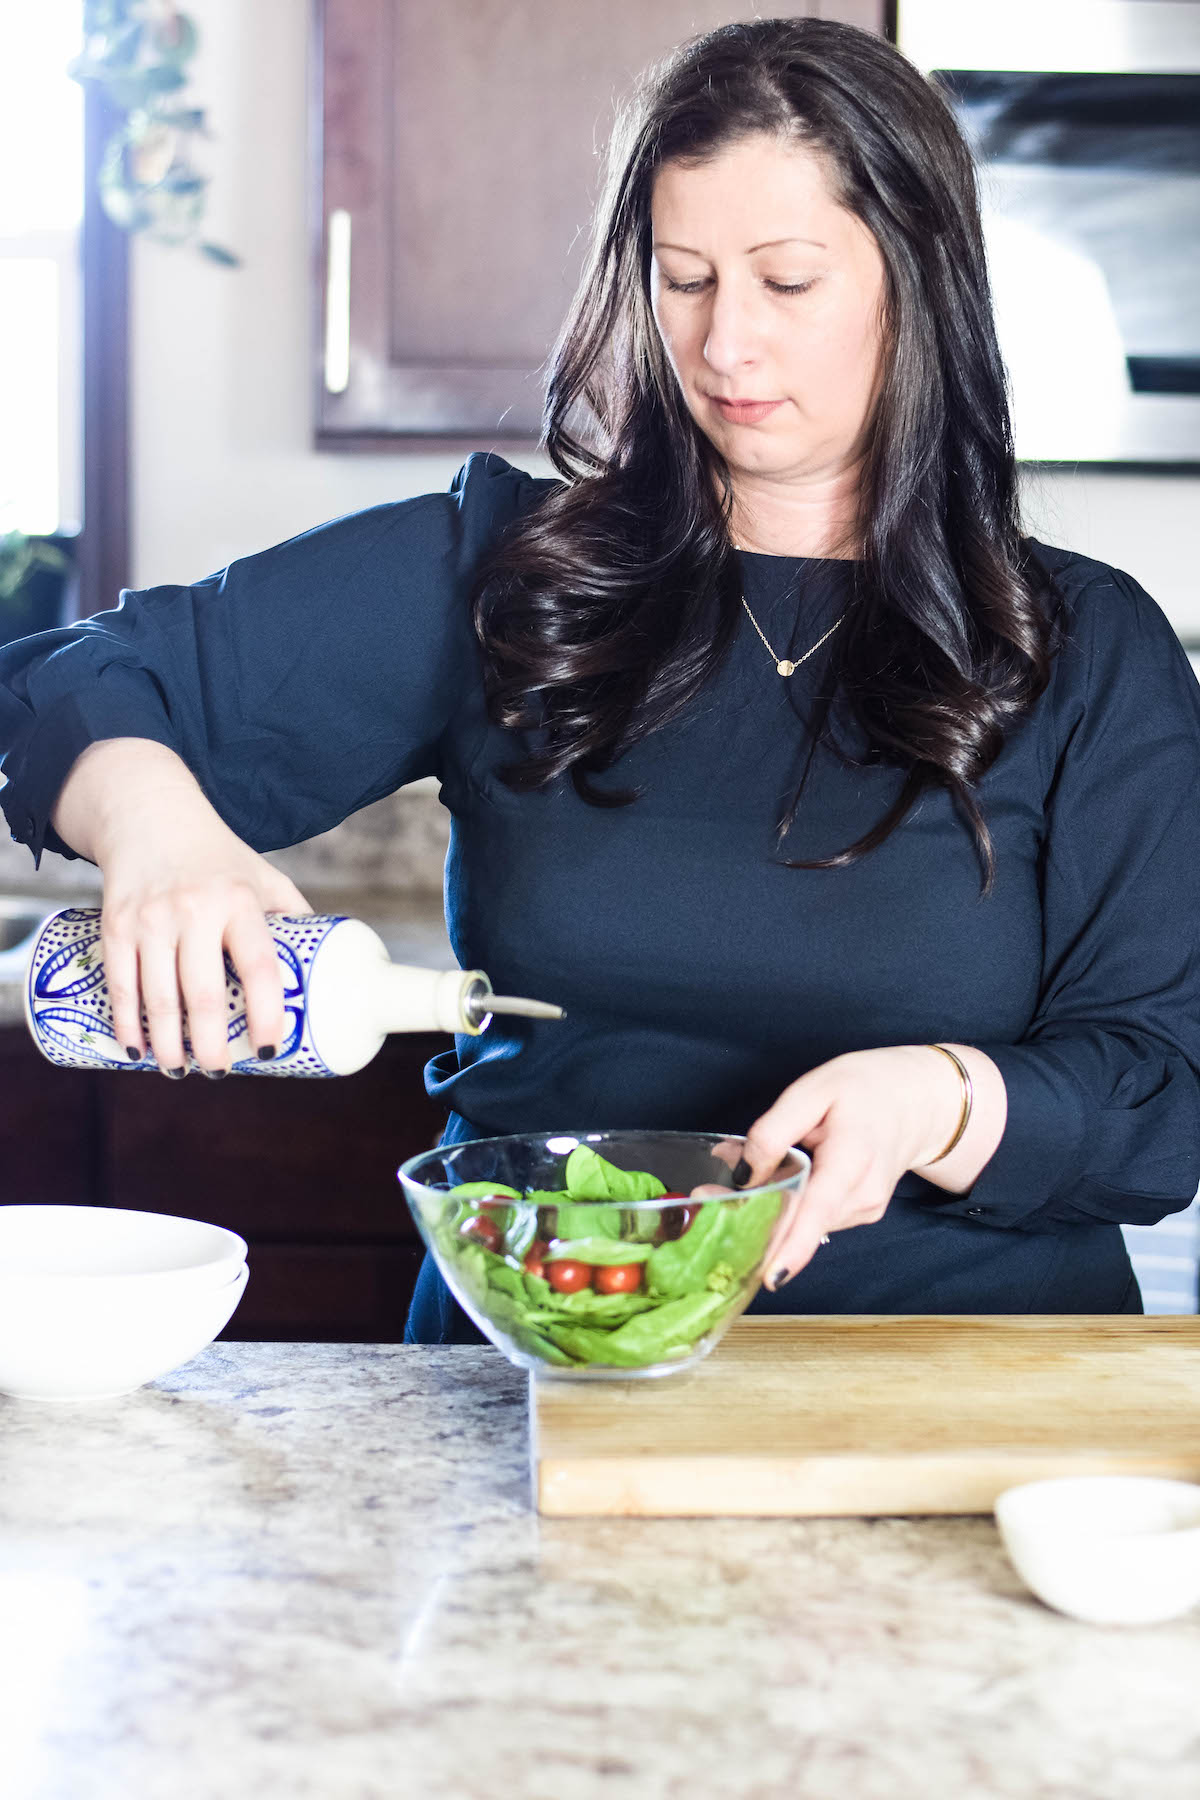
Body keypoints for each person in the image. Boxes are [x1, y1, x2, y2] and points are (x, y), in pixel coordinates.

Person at [2, 19, 1199, 1337]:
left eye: (786, 282)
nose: (725, 344)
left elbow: (1164, 1103)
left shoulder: (1087, 647)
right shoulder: (502, 575)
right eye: (683, 279)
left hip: (954, 1389)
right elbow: (63, 681)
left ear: (919, 282)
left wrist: (948, 1099)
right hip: (538, 1368)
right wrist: (159, 833)